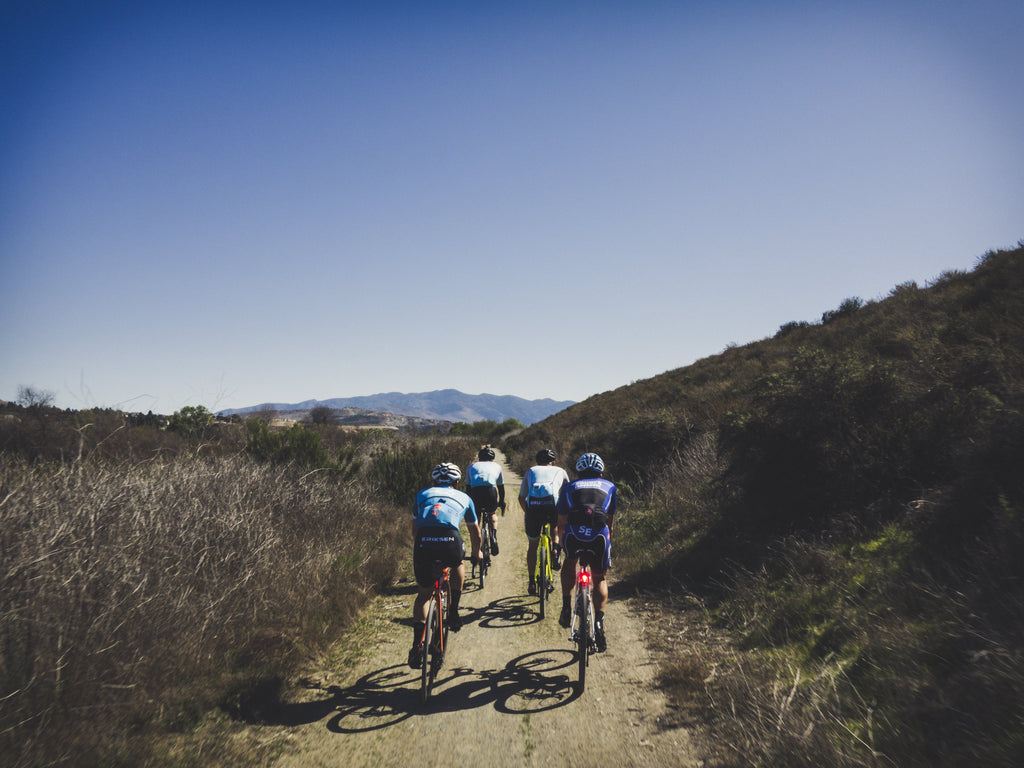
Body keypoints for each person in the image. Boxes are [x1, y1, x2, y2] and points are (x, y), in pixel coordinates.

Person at [408, 462, 482, 669]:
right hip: (450, 540)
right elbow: (475, 532)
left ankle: (416, 646)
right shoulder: (465, 498)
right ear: (457, 483)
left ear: (434, 481)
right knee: (458, 562)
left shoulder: (422, 494)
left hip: (424, 541)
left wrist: (423, 548)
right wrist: (477, 553)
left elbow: (414, 529)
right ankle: (455, 611)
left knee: (423, 595)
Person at [557, 452, 617, 652]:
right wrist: (609, 539)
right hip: (599, 537)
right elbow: (609, 519)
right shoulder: (609, 486)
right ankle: (599, 623)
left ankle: (566, 605)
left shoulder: (568, 487)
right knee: (599, 577)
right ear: (601, 473)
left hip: (574, 536)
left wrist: (560, 543)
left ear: (579, 472)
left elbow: (562, 520)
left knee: (569, 562)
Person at [518, 448, 569, 596]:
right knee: (556, 525)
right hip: (552, 507)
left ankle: (532, 582)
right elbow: (568, 494)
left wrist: (528, 513)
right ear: (553, 462)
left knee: (532, 546)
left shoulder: (531, 471)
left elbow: (521, 498)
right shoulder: (561, 471)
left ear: (537, 461)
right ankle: (556, 549)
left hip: (533, 509)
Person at [465, 446, 505, 556]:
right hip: (490, 492)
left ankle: (476, 545)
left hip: (475, 492)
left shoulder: (471, 466)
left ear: (479, 458)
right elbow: (501, 487)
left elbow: (468, 488)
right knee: (492, 513)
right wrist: (501, 502)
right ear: (492, 459)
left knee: (476, 517)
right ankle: (493, 535)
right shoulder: (497, 466)